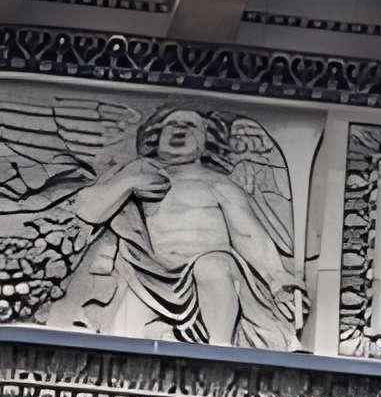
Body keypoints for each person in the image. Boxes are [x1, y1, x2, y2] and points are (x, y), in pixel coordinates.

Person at [61, 107, 298, 349]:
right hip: (149, 275)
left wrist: (277, 276)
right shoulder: (138, 172)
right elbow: (88, 210)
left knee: (212, 267)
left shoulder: (218, 183)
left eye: (190, 125)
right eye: (172, 124)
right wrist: (129, 183)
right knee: (120, 340)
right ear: (157, 138)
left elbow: (247, 234)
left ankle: (220, 348)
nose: (179, 128)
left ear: (204, 141)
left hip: (212, 273)